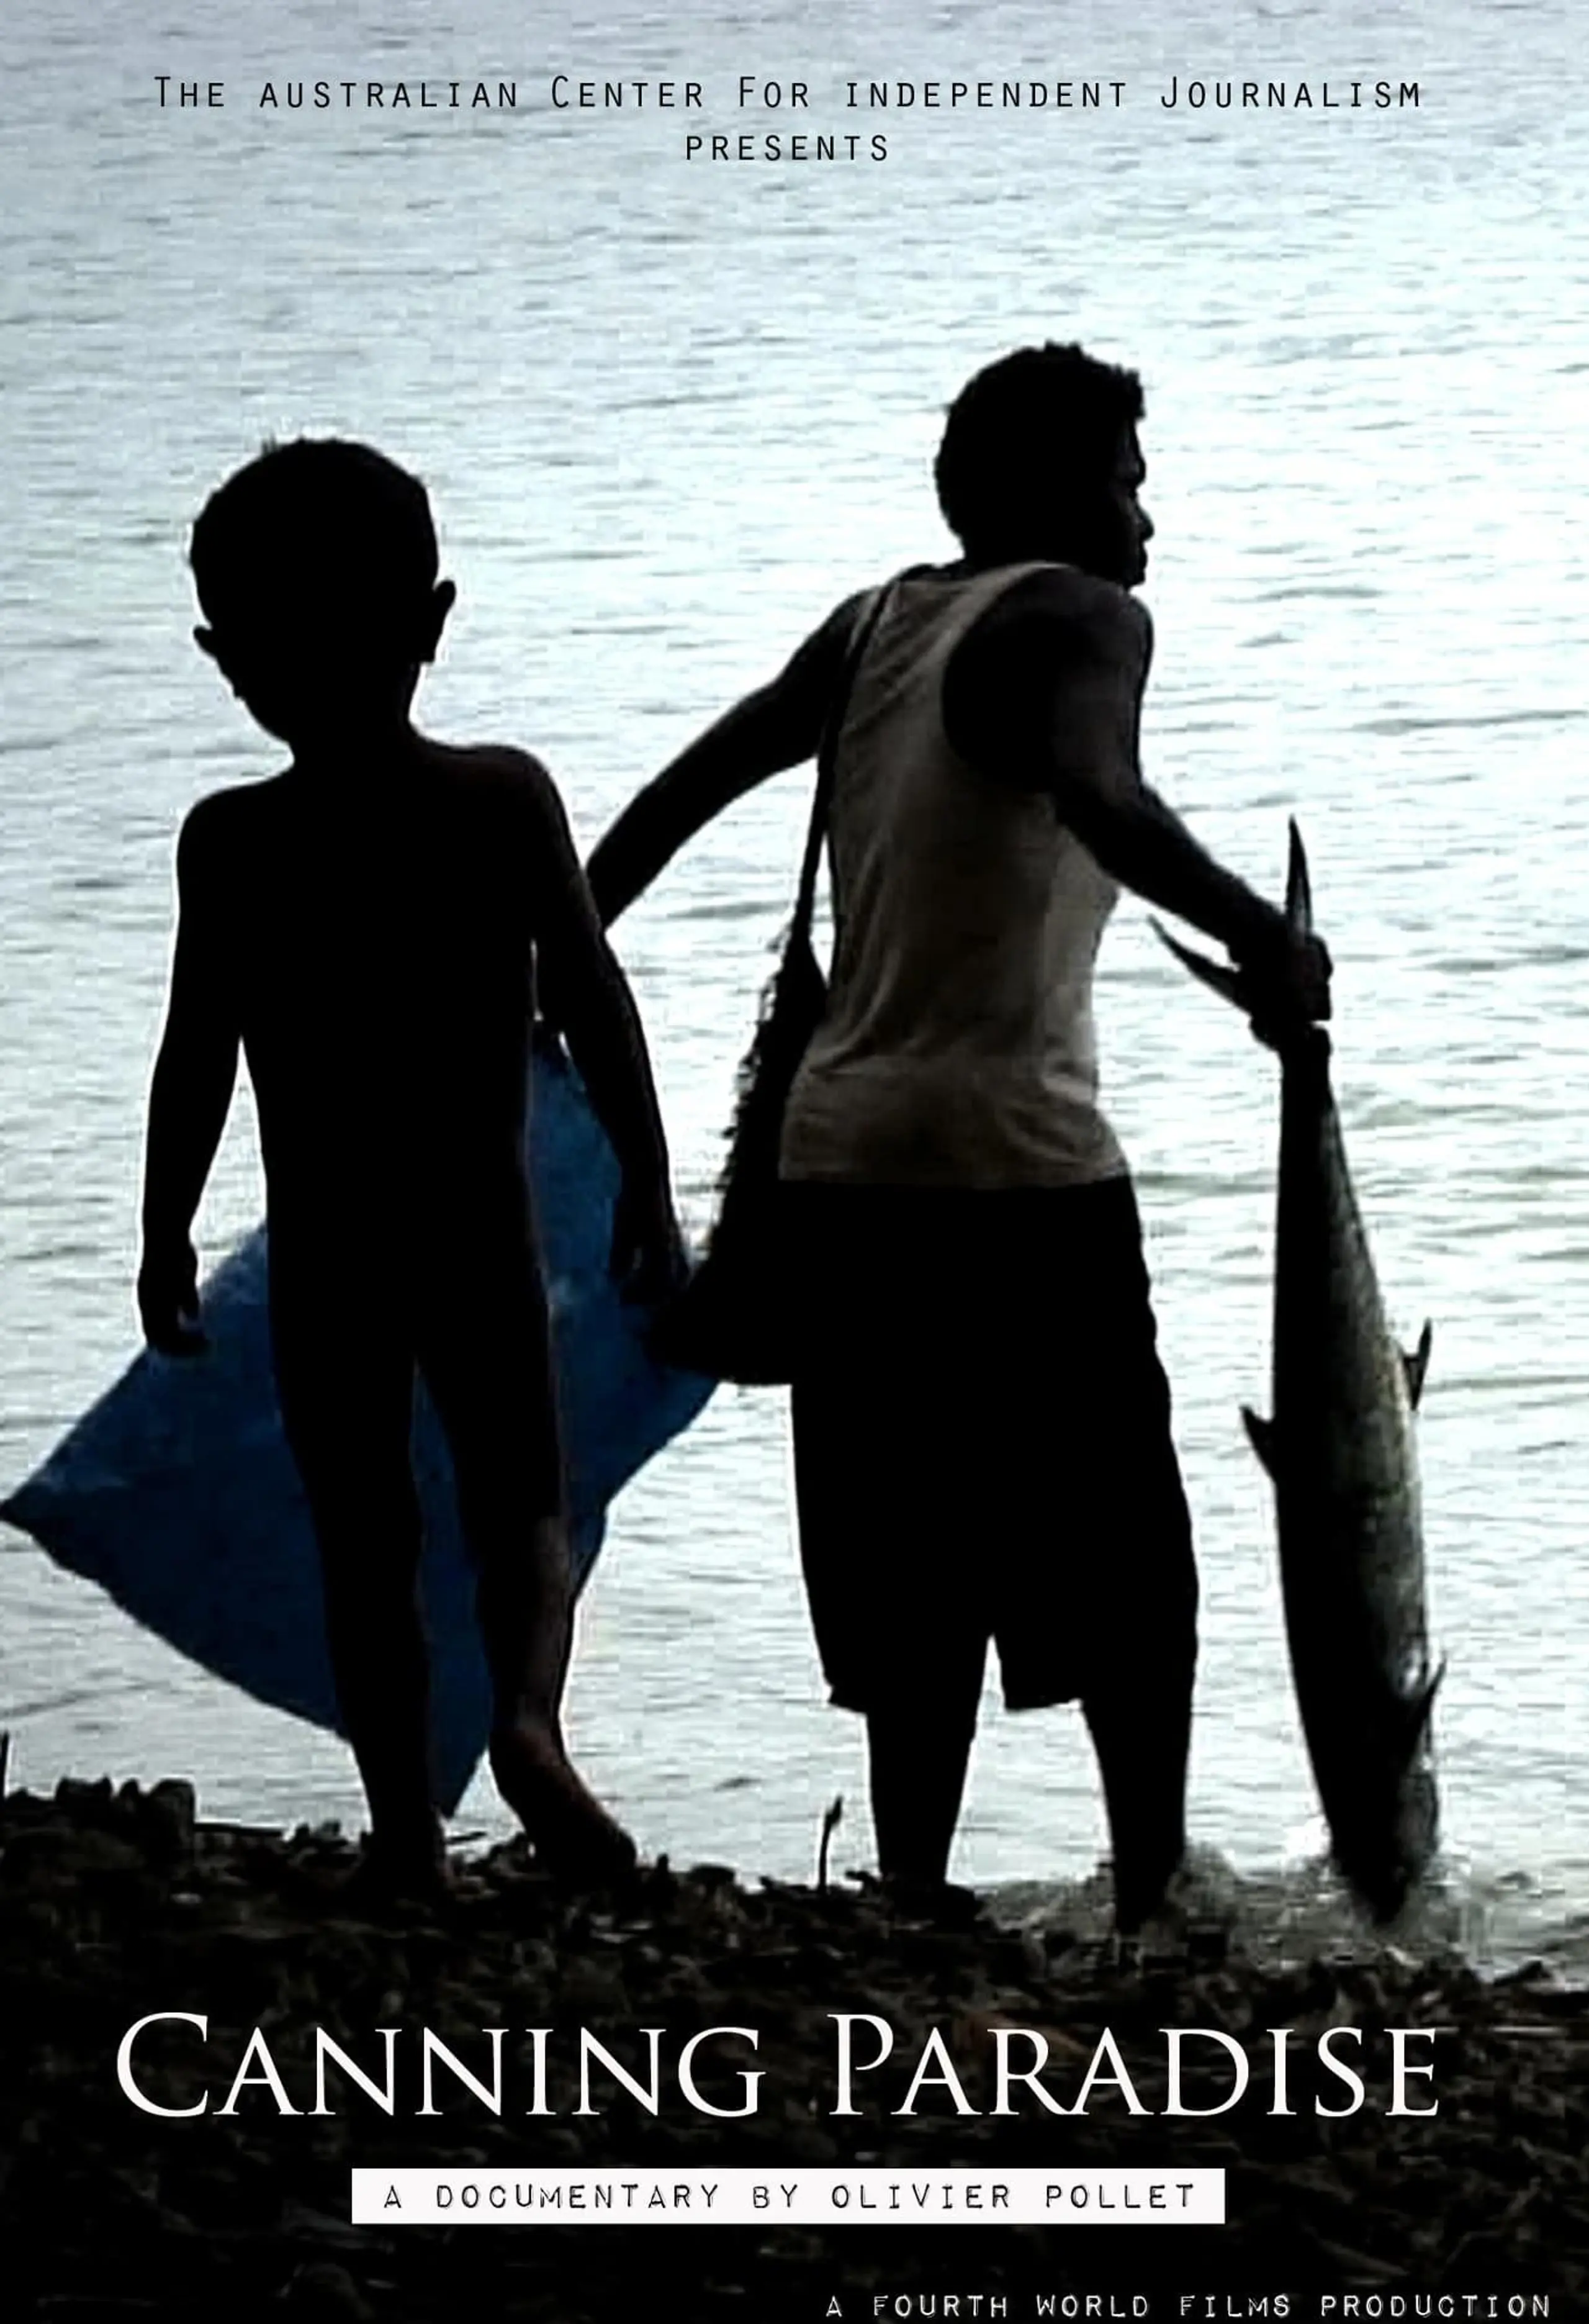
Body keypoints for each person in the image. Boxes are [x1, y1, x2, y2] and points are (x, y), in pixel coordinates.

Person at [583, 343, 1331, 1932]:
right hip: (1019, 1167)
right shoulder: (1079, 615)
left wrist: (546, 979)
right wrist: (1264, 937)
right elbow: (1100, 797)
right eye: (1126, 475)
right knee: (1123, 1560)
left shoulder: (874, 627)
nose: (1147, 513)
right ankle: (1148, 1896)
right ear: (1045, 493)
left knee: (903, 1548)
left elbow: (671, 799)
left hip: (839, 1169)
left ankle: (910, 1888)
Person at [138, 438, 680, 1891]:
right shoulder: (500, 800)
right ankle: (525, 1721)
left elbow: (196, 1056)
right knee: (526, 1508)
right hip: (476, 1238)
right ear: (433, 623)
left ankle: (402, 1836)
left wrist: (164, 1237)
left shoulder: (236, 839)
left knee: (365, 1544)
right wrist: (650, 1184)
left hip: (329, 1258)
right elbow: (593, 999)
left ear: (227, 659)